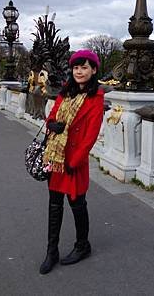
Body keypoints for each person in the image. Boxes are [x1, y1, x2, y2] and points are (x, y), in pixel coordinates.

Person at [39, 49, 104, 275]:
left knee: (78, 205)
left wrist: (74, 161)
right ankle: (51, 251)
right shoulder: (65, 93)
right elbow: (52, 115)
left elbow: (91, 135)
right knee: (54, 205)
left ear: (93, 70)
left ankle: (82, 245)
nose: (79, 71)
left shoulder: (96, 99)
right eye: (76, 67)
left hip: (73, 161)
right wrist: (51, 125)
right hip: (56, 158)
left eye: (84, 67)